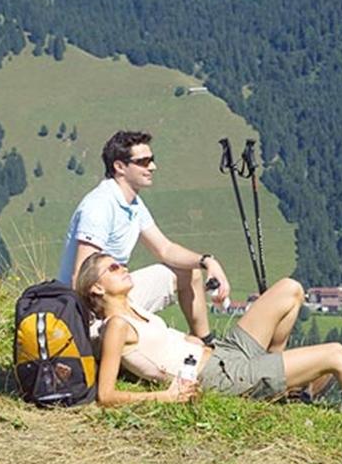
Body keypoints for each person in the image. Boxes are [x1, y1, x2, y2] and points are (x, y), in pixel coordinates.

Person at [76, 252, 342, 438]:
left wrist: (188, 339)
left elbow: (161, 347)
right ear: (96, 288)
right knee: (334, 354)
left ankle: (279, 385)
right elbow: (106, 396)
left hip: (225, 354)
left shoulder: (135, 309)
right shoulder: (116, 326)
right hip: (222, 377)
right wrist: (166, 397)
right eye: (113, 268)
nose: (123, 268)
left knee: (290, 289)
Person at [59, 130, 230, 344]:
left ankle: (206, 342)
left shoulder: (133, 203)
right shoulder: (100, 206)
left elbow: (165, 249)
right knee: (169, 342)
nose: (152, 167)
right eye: (143, 162)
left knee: (190, 272)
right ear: (119, 167)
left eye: (152, 159)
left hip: (117, 291)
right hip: (94, 307)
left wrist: (207, 261)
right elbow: (80, 276)